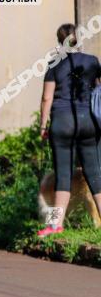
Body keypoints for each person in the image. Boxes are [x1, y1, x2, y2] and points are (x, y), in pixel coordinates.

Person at [39, 23, 101, 236]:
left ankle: (55, 226)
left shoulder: (54, 64)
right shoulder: (93, 62)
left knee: (62, 176)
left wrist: (42, 125)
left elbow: (47, 97)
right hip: (88, 122)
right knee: (95, 174)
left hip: (62, 123)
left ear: (60, 42)